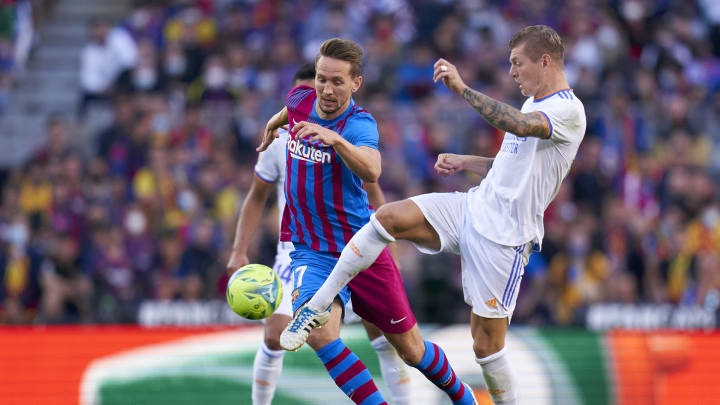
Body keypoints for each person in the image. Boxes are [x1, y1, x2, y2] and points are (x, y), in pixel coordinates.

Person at [282, 25, 587, 405]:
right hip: (473, 207)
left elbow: (520, 126)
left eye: (517, 64)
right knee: (387, 219)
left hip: (505, 237)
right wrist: (466, 162)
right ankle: (317, 305)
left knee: (486, 349)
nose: (512, 72)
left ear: (545, 61)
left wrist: (461, 89)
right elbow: (511, 166)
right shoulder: (534, 105)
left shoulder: (567, 111)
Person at [259, 38, 477, 405]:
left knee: (412, 350)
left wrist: (335, 141)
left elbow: (373, 168)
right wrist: (270, 127)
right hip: (313, 251)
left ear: (355, 83)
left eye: (337, 82)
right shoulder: (301, 101)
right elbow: (286, 113)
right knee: (318, 333)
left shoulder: (359, 125)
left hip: (362, 249)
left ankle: (463, 396)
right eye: (321, 79)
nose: (326, 89)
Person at [227, 63, 411, 405]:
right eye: (309, 91)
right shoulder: (280, 143)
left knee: (386, 338)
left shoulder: (344, 135)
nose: (317, 99)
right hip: (300, 248)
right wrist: (239, 249)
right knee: (275, 334)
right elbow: (256, 196)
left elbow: (372, 189)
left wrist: (391, 247)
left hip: (353, 243)